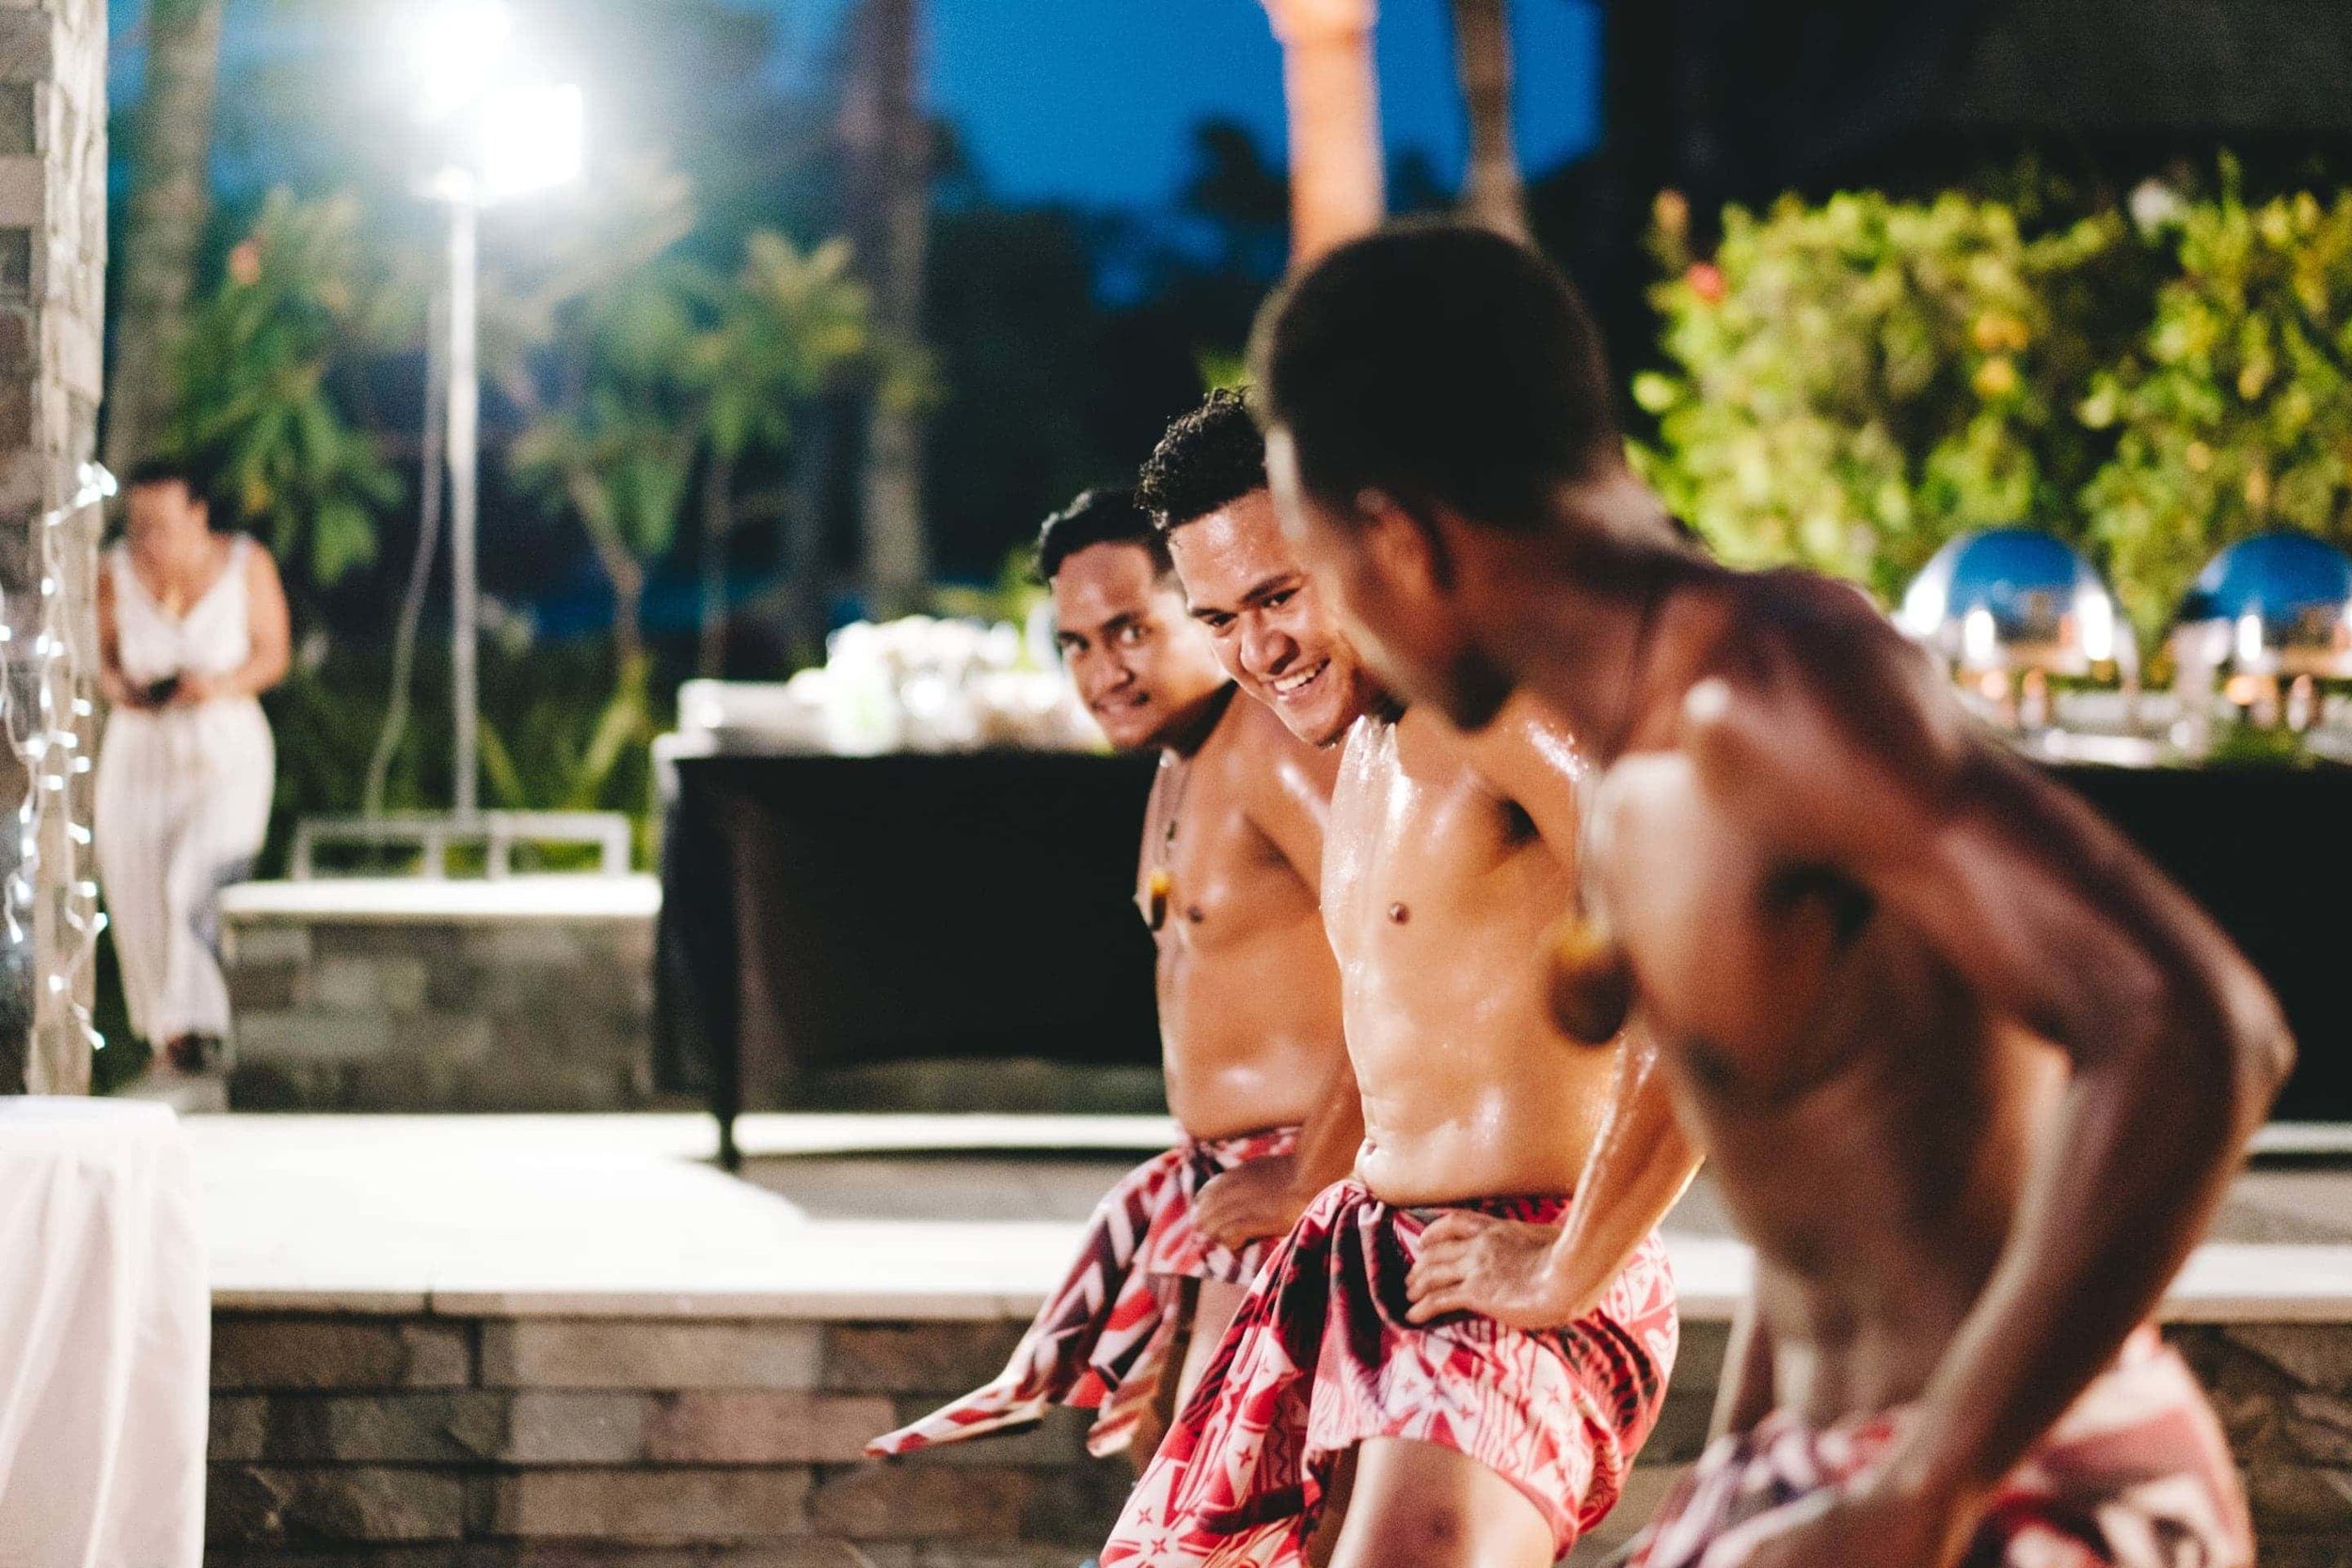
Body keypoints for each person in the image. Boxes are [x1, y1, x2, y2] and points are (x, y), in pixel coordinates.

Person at [1248, 221, 2286, 1568]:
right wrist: (1739, 1484)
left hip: (2022, 1483)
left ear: (1400, 540)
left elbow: (2196, 1025)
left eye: (1324, 571)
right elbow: (1811, 1210)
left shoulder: (1776, 682)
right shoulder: (1631, 764)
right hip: (1838, 1459)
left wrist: (1928, 1481)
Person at [1100, 393, 1692, 1568]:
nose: (1257, 648)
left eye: (1280, 594)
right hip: (1373, 1259)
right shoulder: (1366, 745)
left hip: (1512, 1265)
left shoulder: (1503, 705)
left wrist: (1569, 1260)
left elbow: (1710, 962)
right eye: (1219, 616)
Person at [870, 487, 1357, 1465]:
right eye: (1078, 643)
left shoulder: (1273, 747)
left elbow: (1402, 961)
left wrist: (1310, 1173)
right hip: (1220, 1186)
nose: (1105, 669)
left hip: (1305, 1188)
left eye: (1130, 628)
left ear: (1203, 608)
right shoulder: (1183, 761)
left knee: (1235, 1512)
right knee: (1167, 1473)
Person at [95, 458, 291, 1079]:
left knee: (196, 886)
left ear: (198, 513)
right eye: (138, 524)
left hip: (223, 747)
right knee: (140, 897)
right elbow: (101, 661)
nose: (148, 537)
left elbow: (273, 654)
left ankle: (199, 1029)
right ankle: (167, 1035)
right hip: (141, 752)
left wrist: (218, 686)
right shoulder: (113, 573)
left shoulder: (244, 564)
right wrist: (122, 688)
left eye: (162, 523)